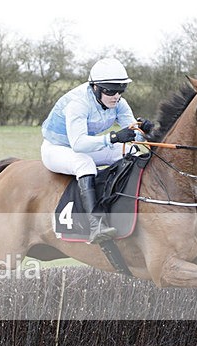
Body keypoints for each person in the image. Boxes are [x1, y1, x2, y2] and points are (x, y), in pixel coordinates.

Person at [40, 57, 153, 244]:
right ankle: (95, 225)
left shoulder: (119, 103)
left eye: (120, 90)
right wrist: (114, 137)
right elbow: (78, 144)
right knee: (84, 163)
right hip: (57, 149)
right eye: (110, 91)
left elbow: (134, 134)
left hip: (85, 147)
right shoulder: (78, 103)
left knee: (131, 151)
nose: (116, 96)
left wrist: (147, 132)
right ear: (95, 88)